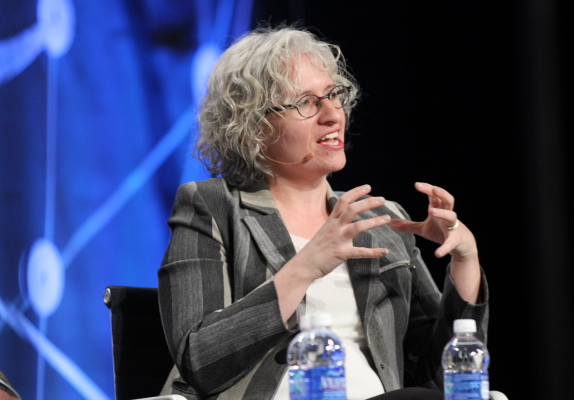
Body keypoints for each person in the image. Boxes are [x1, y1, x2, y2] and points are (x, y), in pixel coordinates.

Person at [158, 25, 487, 400]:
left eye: (333, 95)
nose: (333, 114)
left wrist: (465, 260)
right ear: (252, 127)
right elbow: (200, 361)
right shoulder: (213, 206)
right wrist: (306, 265)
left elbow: (441, 373)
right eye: (306, 102)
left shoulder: (380, 219)